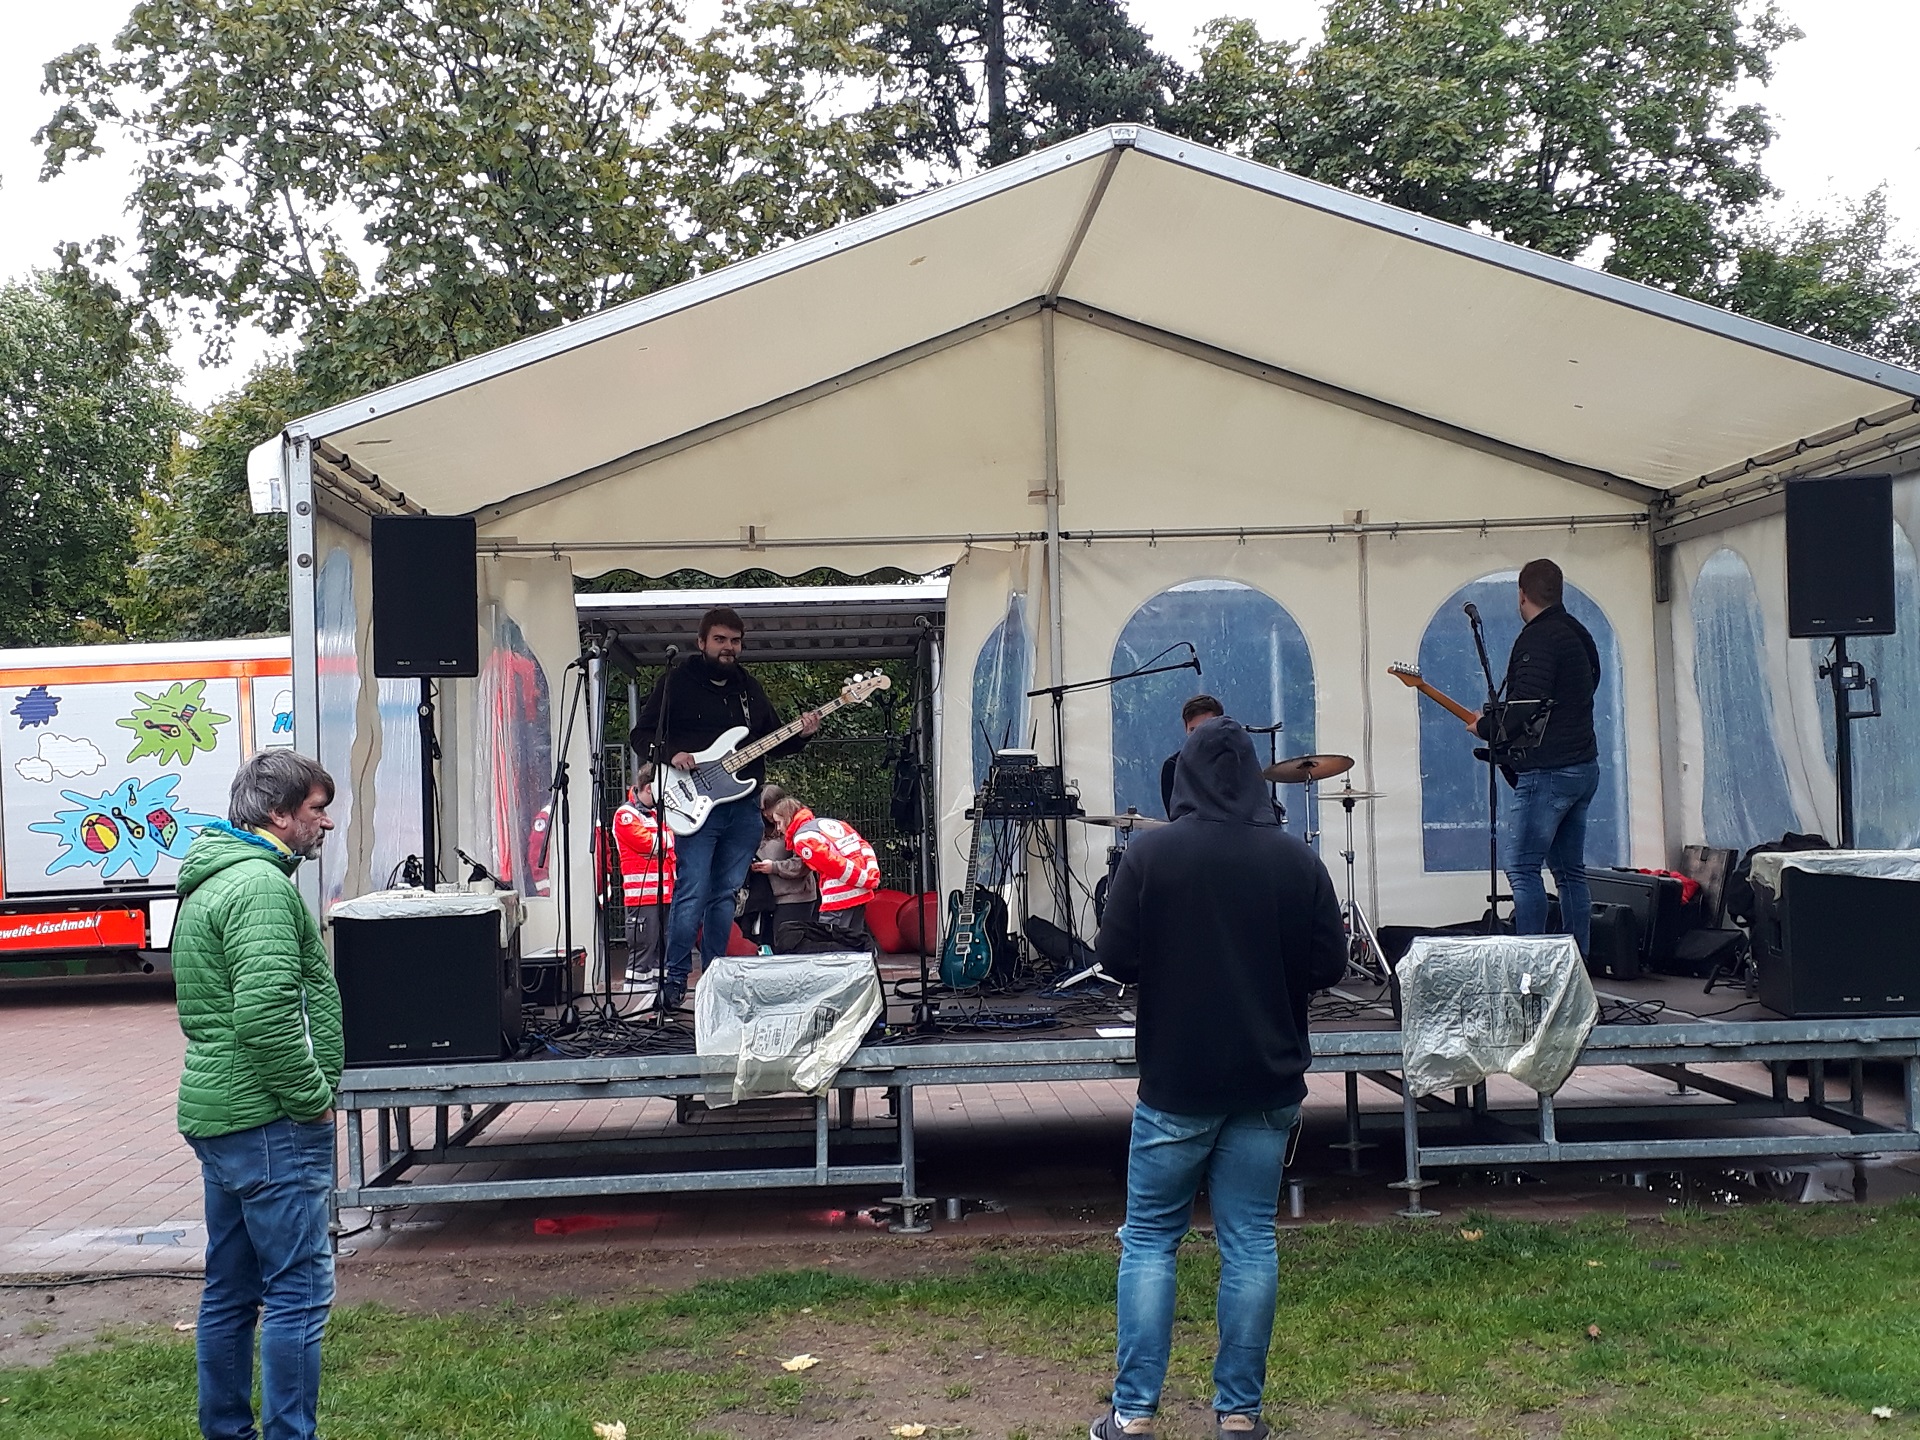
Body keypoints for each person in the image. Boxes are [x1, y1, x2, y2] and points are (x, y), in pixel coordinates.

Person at [1091, 717, 1345, 1440]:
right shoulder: (1297, 860)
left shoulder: (1151, 854)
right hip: (1267, 1081)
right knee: (1250, 1243)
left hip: (1176, 1080)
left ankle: (1134, 1414)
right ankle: (1239, 1416)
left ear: (1187, 775)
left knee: (1148, 1242)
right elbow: (1328, 966)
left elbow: (1116, 957)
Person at [172, 750, 341, 1440]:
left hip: (221, 1115)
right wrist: (312, 1100)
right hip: (269, 1119)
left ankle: (226, 1432)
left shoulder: (210, 879)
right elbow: (268, 1014)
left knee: (230, 1295)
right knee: (298, 1297)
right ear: (277, 814)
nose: (325, 823)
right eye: (315, 810)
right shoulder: (262, 888)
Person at [629, 606, 820, 1009]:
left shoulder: (749, 690)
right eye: (720, 639)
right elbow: (641, 734)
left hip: (743, 809)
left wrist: (801, 734)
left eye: (734, 641)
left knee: (725, 896)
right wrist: (670, 753)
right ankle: (675, 980)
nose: (728, 647)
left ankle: (714, 979)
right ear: (701, 643)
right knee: (692, 891)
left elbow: (774, 740)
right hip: (694, 803)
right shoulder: (676, 682)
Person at [1469, 558, 1602, 955]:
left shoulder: (1536, 639)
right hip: (1584, 765)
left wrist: (1486, 729)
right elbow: (1584, 688)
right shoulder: (1579, 633)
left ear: (1522, 594)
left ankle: (1530, 970)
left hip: (1549, 771)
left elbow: (1527, 708)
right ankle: (1576, 970)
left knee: (1524, 870)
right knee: (1569, 873)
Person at [768, 793, 881, 949]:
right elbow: (863, 846)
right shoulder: (828, 823)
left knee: (832, 946)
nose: (779, 828)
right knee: (855, 941)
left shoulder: (803, 839)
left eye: (779, 822)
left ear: (787, 818)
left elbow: (832, 865)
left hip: (839, 896)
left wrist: (862, 879)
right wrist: (869, 876)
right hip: (860, 891)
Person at [611, 781, 675, 985]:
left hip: (665, 894)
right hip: (642, 896)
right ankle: (636, 1001)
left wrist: (666, 840)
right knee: (642, 951)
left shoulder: (656, 813)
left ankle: (659, 1002)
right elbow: (649, 843)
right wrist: (670, 839)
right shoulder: (626, 815)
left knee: (661, 952)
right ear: (649, 788)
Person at [745, 783, 818, 950]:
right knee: (769, 945)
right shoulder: (759, 827)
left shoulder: (800, 829)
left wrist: (774, 867)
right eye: (762, 810)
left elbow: (803, 864)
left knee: (789, 945)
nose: (766, 814)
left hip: (795, 896)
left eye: (768, 809)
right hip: (766, 899)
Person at [1159, 693, 1223, 816]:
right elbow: (1175, 818)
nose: (1198, 736)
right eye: (1193, 730)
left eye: (1205, 728)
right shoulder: (1172, 767)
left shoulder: (1235, 762)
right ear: (1186, 729)